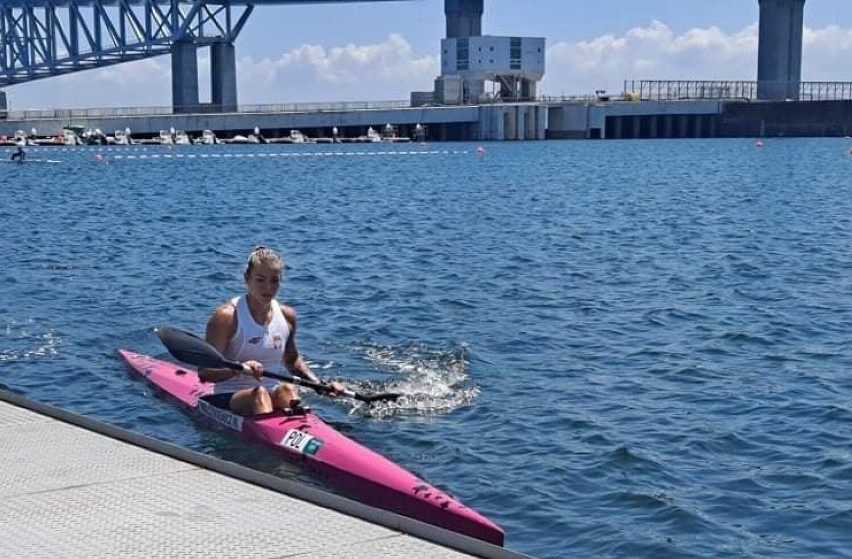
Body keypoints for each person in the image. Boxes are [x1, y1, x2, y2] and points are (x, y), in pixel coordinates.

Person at [200, 245, 344, 415]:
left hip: (272, 393)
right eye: (260, 280)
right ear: (247, 278)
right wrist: (239, 368)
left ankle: (296, 429)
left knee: (287, 390)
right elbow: (204, 373)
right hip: (228, 396)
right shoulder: (226, 317)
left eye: (274, 280)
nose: (268, 288)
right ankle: (266, 433)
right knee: (259, 394)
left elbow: (292, 360)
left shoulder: (287, 315)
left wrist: (320, 385)